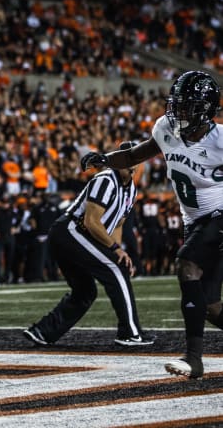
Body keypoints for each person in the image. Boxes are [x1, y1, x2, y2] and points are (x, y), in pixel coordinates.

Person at [81, 70, 223, 379]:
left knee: (187, 265)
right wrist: (106, 159)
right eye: (179, 104)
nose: (180, 112)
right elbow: (136, 154)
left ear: (207, 109)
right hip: (196, 221)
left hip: (219, 216)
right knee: (212, 307)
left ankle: (194, 359)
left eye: (189, 106)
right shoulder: (165, 128)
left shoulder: (220, 140)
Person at [25, 141, 155, 347]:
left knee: (86, 291)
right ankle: (129, 332)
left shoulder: (132, 190)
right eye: (123, 157)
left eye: (132, 158)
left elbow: (118, 224)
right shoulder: (106, 179)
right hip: (72, 230)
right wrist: (115, 251)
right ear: (116, 160)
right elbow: (91, 221)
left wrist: (118, 250)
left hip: (78, 234)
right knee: (116, 270)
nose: (128, 163)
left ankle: (43, 331)